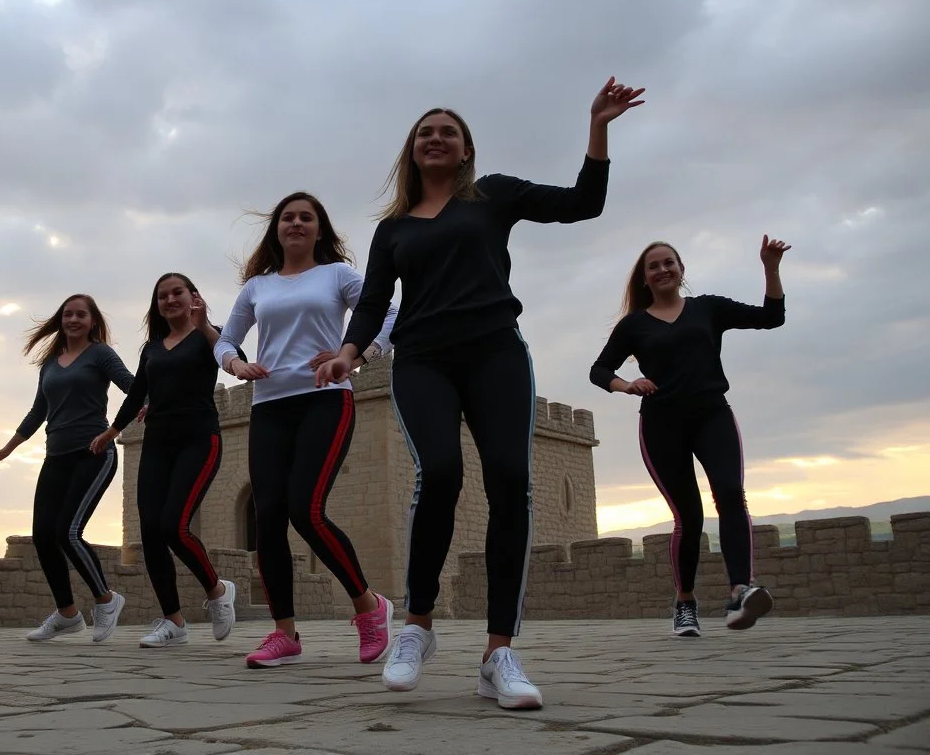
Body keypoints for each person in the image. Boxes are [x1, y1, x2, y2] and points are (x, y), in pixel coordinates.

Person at [316, 77, 645, 709]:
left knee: (507, 481)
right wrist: (349, 353)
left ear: (467, 149)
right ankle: (417, 627)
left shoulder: (493, 196)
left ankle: (499, 651)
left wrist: (598, 127)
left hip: (496, 352)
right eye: (425, 132)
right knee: (438, 473)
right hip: (423, 360)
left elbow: (584, 203)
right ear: (412, 151)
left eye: (449, 132)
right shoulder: (393, 230)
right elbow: (376, 303)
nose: (436, 138)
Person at [214, 192, 398, 669]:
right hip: (269, 406)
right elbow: (227, 339)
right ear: (277, 229)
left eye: (306, 217)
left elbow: (389, 314)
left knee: (306, 509)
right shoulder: (257, 286)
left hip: (325, 401)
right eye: (288, 217)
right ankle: (285, 634)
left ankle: (369, 606)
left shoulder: (337, 276)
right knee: (269, 518)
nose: (296, 223)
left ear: (320, 229)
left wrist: (353, 354)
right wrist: (235, 363)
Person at [588, 236, 789, 637]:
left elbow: (772, 317)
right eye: (654, 266)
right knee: (689, 516)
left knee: (731, 493)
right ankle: (685, 602)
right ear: (644, 279)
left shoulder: (708, 308)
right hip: (662, 425)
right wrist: (627, 385)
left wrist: (770, 268)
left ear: (681, 269)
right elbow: (599, 371)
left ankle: (740, 590)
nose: (662, 270)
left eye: (669, 263)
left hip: (712, 414)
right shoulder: (634, 325)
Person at [90, 273, 240, 649]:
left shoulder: (211, 335)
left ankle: (218, 590)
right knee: (151, 533)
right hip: (157, 442)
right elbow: (138, 392)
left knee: (175, 525)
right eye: (163, 296)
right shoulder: (152, 348)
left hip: (199, 440)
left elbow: (235, 360)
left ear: (194, 297)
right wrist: (113, 430)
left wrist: (205, 326)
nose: (170, 299)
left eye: (178, 292)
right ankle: (173, 620)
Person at [0, 294, 135, 644]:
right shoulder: (50, 364)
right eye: (68, 314)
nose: (73, 320)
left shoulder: (100, 354)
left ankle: (106, 599)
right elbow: (39, 411)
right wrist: (8, 448)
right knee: (43, 535)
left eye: (81, 315)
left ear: (92, 321)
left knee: (68, 531)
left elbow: (133, 387)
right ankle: (68, 614)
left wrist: (122, 423)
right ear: (60, 320)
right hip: (56, 457)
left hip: (93, 453)